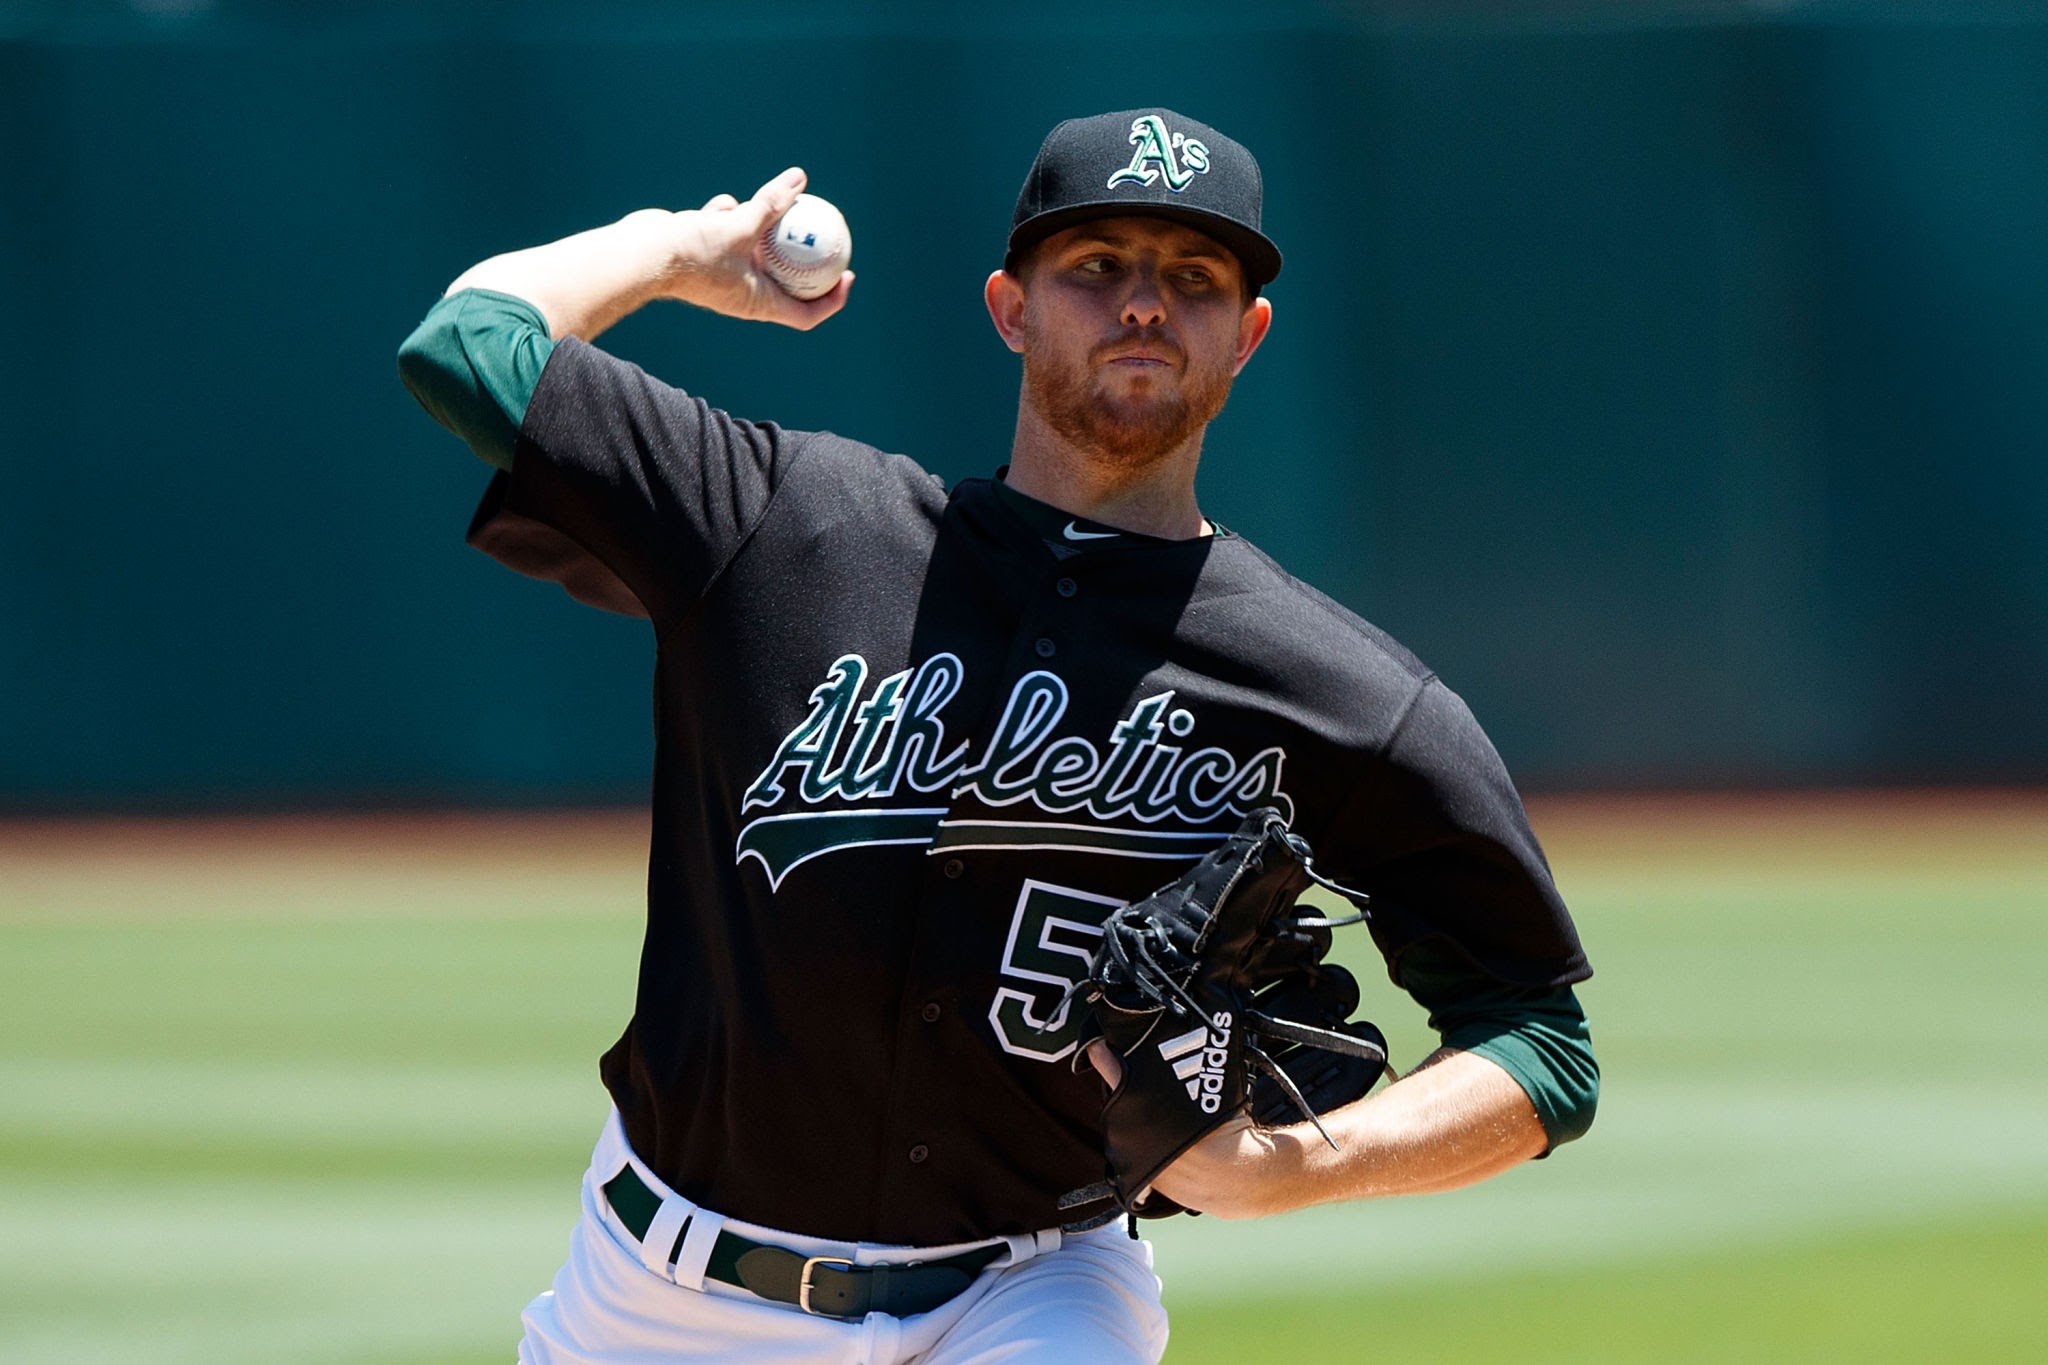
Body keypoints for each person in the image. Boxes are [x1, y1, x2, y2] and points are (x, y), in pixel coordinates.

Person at [398, 108, 1597, 1365]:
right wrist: (675, 250)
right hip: (657, 1301)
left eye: (1193, 278)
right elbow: (467, 347)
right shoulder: (785, 522)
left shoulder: (1332, 691)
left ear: (1245, 336)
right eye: (1097, 266)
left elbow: (1540, 1044)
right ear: (1009, 309)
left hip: (1032, 1295)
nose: (1144, 303)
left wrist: (1288, 1168)